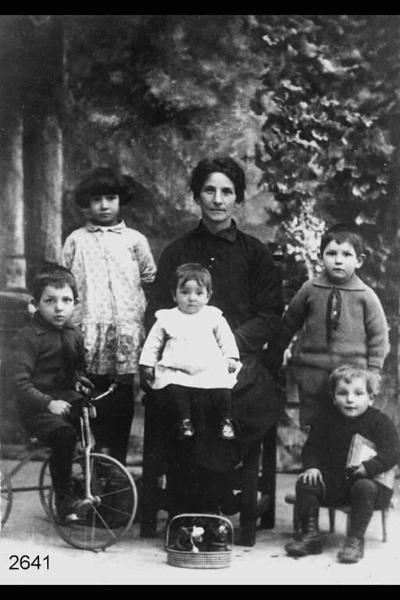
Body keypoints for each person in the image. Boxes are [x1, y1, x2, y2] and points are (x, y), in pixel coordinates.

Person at [141, 156, 283, 543]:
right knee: (181, 401)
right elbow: (156, 311)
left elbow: (270, 313)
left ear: (237, 198)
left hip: (236, 361)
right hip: (182, 362)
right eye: (209, 190)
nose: (217, 199)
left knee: (228, 403)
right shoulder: (177, 251)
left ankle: (211, 504)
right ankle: (191, 510)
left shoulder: (255, 254)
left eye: (226, 192)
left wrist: (227, 345)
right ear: (196, 195)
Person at [62, 167, 156, 465]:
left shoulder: (134, 240)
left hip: (124, 330)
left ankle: (117, 461)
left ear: (120, 200)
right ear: (86, 204)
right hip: (88, 327)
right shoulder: (76, 239)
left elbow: (149, 276)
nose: (104, 205)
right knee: (90, 392)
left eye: (110, 198)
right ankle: (91, 463)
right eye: (96, 199)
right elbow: (63, 277)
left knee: (120, 394)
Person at [275, 222, 390, 428]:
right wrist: (277, 351)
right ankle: (314, 461)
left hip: (351, 378)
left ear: (359, 260)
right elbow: (289, 322)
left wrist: (372, 372)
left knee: (348, 428)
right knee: (315, 427)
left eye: (346, 255)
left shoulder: (366, 296)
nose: (338, 261)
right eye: (331, 253)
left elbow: (379, 337)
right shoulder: (310, 290)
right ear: (320, 257)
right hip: (313, 373)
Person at [285, 364, 400, 563]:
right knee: (306, 482)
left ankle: (354, 540)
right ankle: (310, 535)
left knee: (364, 486)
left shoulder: (379, 422)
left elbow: (394, 450)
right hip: (335, 484)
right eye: (342, 393)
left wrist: (370, 467)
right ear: (333, 397)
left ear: (371, 398)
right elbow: (311, 447)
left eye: (358, 393)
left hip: (369, 487)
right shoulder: (326, 419)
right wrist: (312, 466)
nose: (350, 399)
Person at [7, 266, 93, 523]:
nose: (59, 308)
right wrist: (48, 403)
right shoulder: (28, 337)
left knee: (93, 415)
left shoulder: (72, 333)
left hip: (65, 399)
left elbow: (79, 368)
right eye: (50, 301)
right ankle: (65, 501)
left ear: (75, 304)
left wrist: (82, 382)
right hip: (35, 408)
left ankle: (90, 484)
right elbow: (18, 383)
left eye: (66, 300)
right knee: (64, 435)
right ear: (35, 304)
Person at [139, 263, 241, 441]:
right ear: (174, 295)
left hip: (207, 366)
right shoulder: (167, 317)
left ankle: (225, 420)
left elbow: (226, 338)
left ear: (208, 296)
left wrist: (231, 356)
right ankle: (185, 421)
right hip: (177, 367)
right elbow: (152, 343)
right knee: (172, 383)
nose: (192, 298)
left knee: (222, 382)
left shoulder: (213, 316)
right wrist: (147, 363)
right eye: (185, 292)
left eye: (199, 293)